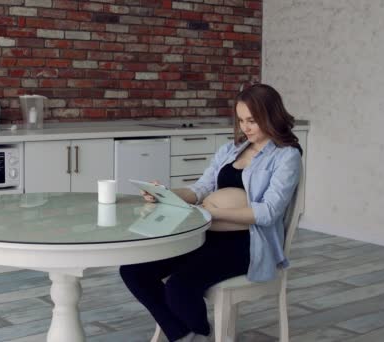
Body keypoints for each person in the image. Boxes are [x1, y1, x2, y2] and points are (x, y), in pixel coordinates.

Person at [119, 83, 303, 342]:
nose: (245, 128)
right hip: (207, 234)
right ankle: (185, 334)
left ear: (271, 116)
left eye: (252, 120)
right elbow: (201, 188)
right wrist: (168, 195)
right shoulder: (231, 150)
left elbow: (268, 212)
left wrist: (213, 213)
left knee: (179, 286)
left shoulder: (286, 156)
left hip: (248, 243)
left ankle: (193, 334)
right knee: (134, 271)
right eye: (241, 120)